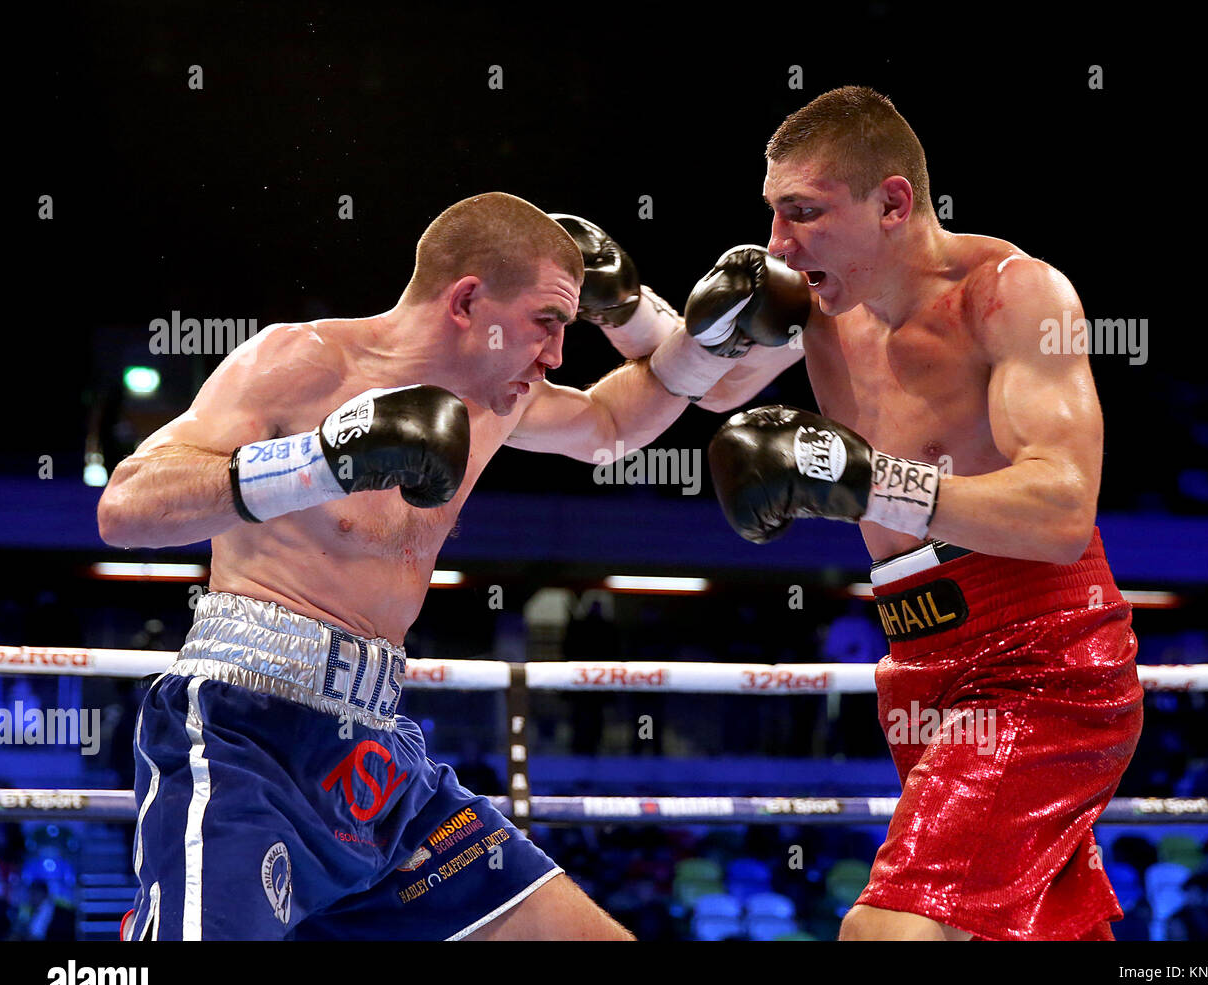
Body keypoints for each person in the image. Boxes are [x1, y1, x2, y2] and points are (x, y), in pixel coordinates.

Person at [96, 192, 770, 940]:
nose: (553, 355)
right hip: (245, 736)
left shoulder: (497, 400)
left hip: (377, 761)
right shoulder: (302, 363)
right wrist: (322, 462)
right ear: (467, 302)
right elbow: (125, 506)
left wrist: (687, 338)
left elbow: (613, 424)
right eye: (545, 324)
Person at [698, 86, 1143, 940]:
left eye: (803, 213)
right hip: (920, 660)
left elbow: (1060, 508)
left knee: (890, 928)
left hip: (1042, 661)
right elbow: (691, 388)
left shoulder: (1013, 296)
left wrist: (866, 482)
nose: (777, 244)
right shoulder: (818, 308)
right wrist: (609, 302)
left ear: (893, 202)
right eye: (773, 214)